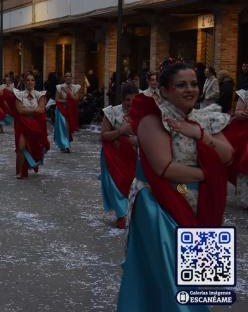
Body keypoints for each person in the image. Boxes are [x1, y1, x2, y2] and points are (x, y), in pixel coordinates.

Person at [118, 62, 233, 311]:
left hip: (202, 203)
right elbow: (164, 168)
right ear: (164, 90)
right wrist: (208, 175)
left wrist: (201, 135)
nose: (190, 89)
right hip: (161, 204)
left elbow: (227, 155)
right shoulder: (154, 119)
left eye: (194, 84)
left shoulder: (205, 117)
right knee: (169, 276)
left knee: (197, 278)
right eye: (181, 85)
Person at [99, 83, 138, 229]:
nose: (130, 103)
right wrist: (121, 131)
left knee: (132, 184)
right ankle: (121, 214)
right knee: (115, 185)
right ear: (122, 99)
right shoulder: (112, 112)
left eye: (134, 100)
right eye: (128, 100)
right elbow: (103, 136)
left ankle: (132, 212)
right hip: (113, 157)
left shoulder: (142, 114)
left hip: (133, 156)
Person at [11, 73, 49, 179]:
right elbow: (19, 110)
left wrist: (26, 111)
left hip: (36, 126)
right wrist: (34, 111)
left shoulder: (39, 94)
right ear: (24, 82)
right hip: (23, 125)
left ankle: (33, 162)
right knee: (21, 147)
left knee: (36, 147)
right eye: (28, 80)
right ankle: (20, 171)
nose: (30, 82)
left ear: (35, 82)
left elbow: (41, 109)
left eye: (32, 80)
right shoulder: (19, 94)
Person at [54, 72, 80, 153]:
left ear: (72, 78)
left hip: (70, 111)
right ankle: (65, 145)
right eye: (66, 76)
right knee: (62, 127)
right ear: (64, 78)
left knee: (68, 127)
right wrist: (65, 101)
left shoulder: (75, 87)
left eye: (70, 76)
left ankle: (66, 144)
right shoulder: (59, 87)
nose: (68, 78)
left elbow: (76, 98)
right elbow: (57, 99)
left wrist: (69, 93)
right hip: (61, 109)